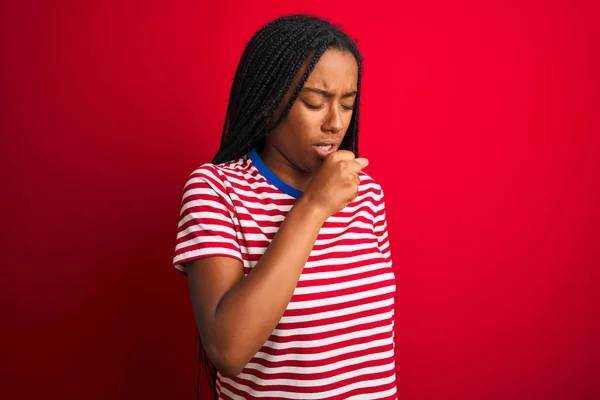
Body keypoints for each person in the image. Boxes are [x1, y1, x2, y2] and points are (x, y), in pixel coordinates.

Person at [173, 14, 397, 400]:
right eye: (314, 103)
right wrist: (313, 208)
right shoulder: (215, 190)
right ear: (268, 102)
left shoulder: (365, 193)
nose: (335, 123)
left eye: (348, 104)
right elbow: (229, 349)